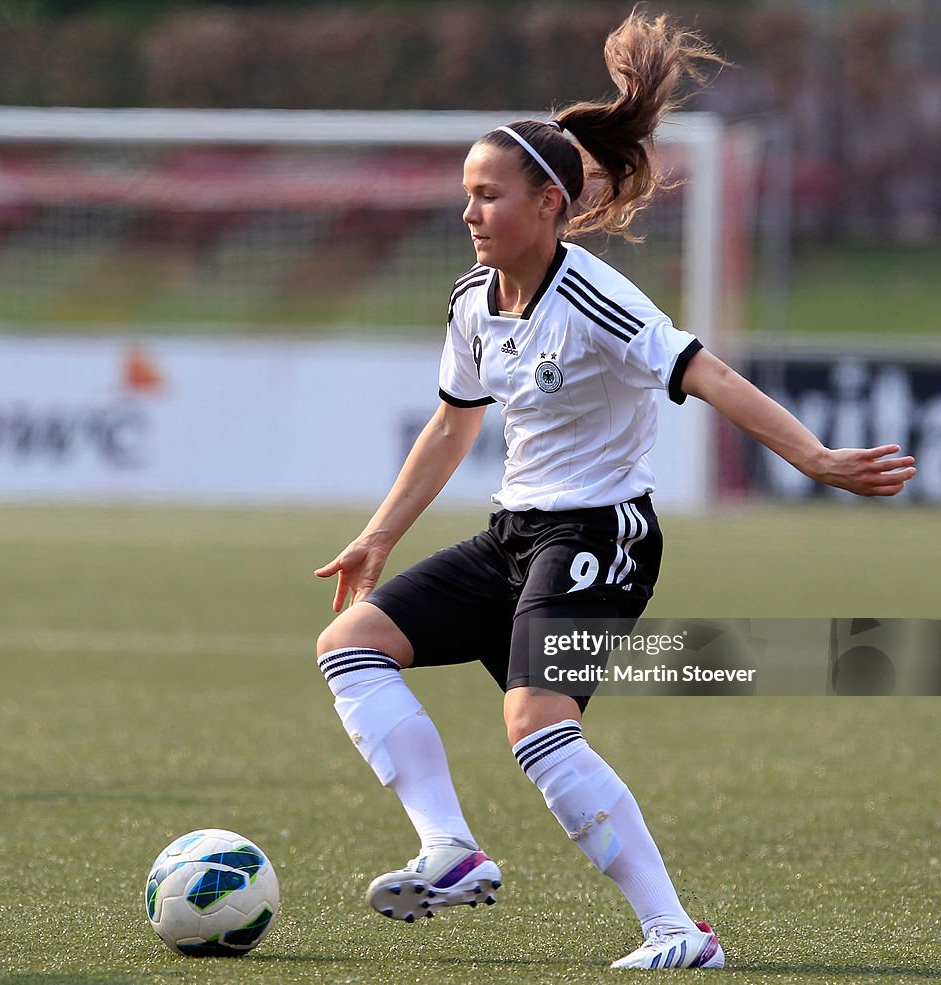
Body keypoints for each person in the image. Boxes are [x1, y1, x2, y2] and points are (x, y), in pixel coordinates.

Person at [314, 10, 916, 971]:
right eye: (466, 196)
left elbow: (708, 372)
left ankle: (680, 932)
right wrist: (378, 536)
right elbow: (452, 424)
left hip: (601, 533)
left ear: (549, 204)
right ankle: (451, 849)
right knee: (350, 645)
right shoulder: (474, 303)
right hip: (514, 535)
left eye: (489, 195)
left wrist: (815, 458)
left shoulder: (598, 296)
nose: (470, 213)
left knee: (537, 727)